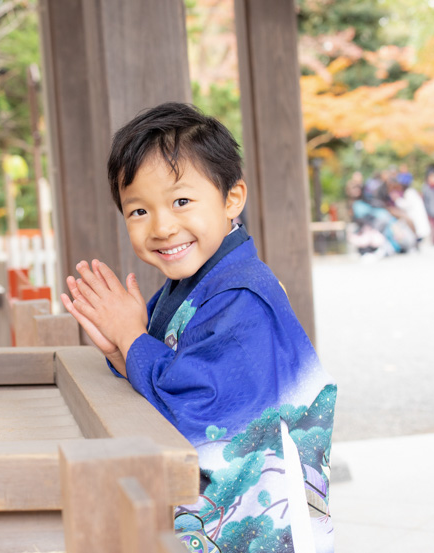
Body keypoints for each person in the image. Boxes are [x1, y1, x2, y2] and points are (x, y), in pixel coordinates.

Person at [61, 103, 336, 553]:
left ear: (231, 199)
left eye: (181, 201)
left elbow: (199, 408)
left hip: (263, 516)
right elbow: (168, 377)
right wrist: (119, 349)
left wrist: (133, 339)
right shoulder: (192, 285)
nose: (163, 226)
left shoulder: (243, 296)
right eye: (138, 211)